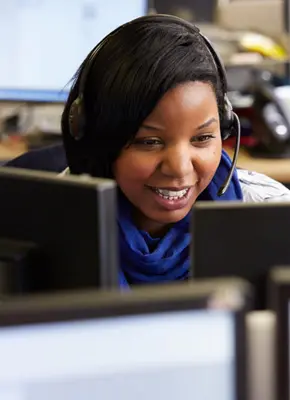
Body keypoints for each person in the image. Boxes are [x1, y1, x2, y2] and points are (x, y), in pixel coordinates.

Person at [5, 15, 290, 288]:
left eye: (202, 138)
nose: (179, 168)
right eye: (150, 141)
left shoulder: (275, 215)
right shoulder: (42, 231)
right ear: (96, 137)